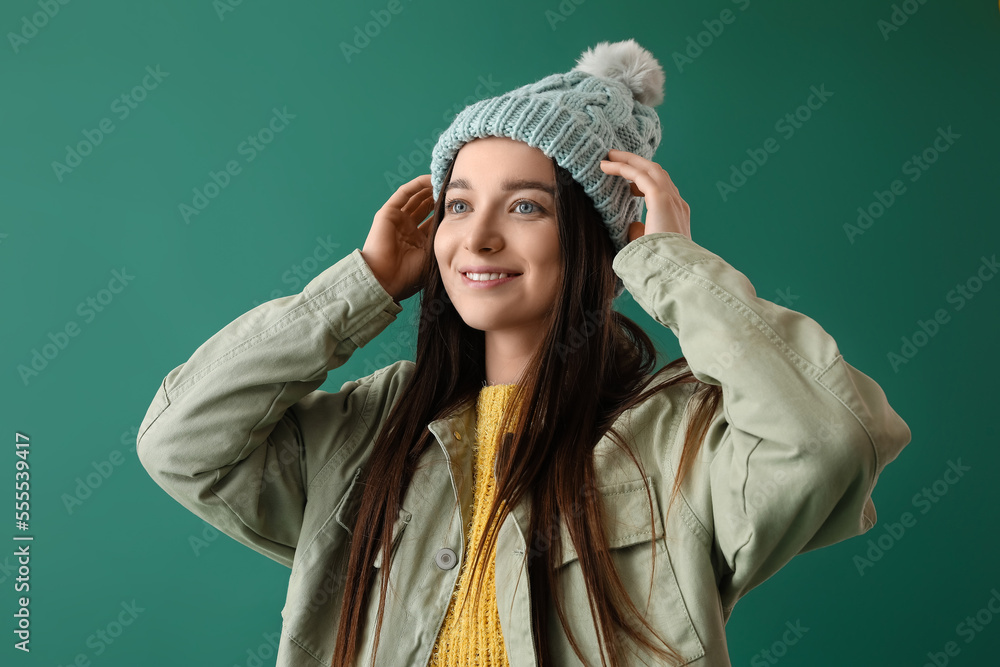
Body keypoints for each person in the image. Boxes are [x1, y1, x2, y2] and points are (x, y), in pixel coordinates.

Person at [136, 39, 912, 667]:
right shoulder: (373, 429)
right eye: (460, 204)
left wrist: (668, 264)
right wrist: (362, 285)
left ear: (598, 237)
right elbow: (182, 443)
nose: (477, 237)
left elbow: (829, 440)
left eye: (527, 206)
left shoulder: (678, 435)